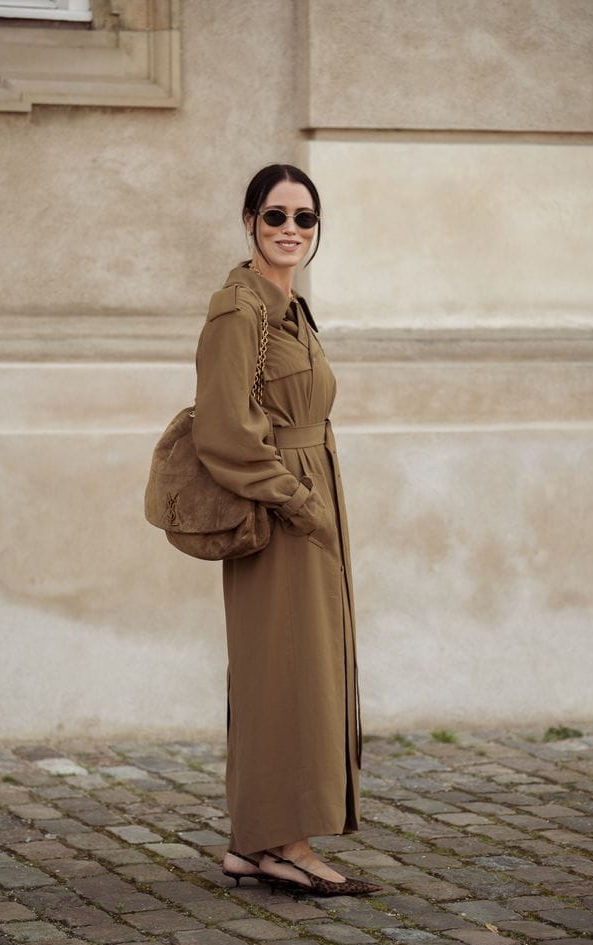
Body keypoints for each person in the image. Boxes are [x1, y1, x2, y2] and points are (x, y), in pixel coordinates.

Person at [193, 164, 379, 897]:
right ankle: (282, 844)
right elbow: (223, 430)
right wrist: (297, 502)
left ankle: (254, 842)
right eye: (276, 216)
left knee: (301, 670)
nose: (291, 231)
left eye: (306, 219)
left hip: (308, 495)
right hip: (279, 510)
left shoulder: (288, 307)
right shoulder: (237, 311)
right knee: (286, 675)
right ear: (248, 222)